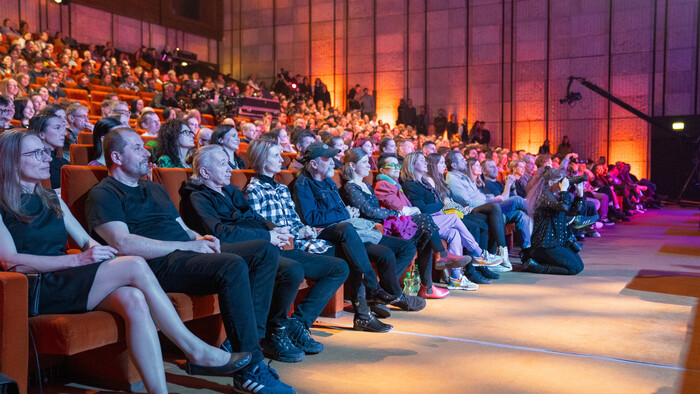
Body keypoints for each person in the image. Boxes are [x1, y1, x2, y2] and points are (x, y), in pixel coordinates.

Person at [0, 130, 252, 393]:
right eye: (36, 153)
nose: (46, 158)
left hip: (66, 278)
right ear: (10, 160)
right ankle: (195, 350)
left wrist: (102, 254)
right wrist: (79, 262)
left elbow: (88, 243)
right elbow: (10, 261)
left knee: (133, 299)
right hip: (33, 287)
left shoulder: (51, 198)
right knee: (133, 263)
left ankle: (159, 391)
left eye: (45, 151)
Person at [85, 127, 295, 393]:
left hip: (184, 253)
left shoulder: (155, 189)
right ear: (116, 157)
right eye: (137, 147)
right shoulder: (104, 193)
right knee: (232, 265)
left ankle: (245, 343)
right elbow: (121, 243)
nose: (146, 152)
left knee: (265, 251)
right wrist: (186, 245)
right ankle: (249, 369)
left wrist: (201, 239)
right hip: (153, 265)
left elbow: (183, 228)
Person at [180, 144, 348, 359]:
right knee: (293, 270)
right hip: (239, 252)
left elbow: (254, 218)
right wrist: (267, 236)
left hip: (265, 246)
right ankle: (274, 331)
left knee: (338, 267)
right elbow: (220, 233)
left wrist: (274, 230)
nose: (230, 167)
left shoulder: (230, 191)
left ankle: (297, 324)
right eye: (222, 164)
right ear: (204, 172)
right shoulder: (198, 197)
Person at [344, 150, 476, 295]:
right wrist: (400, 212)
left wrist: (407, 211)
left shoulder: (368, 186)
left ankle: (428, 286)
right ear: (352, 165)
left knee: (426, 233)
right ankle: (453, 258)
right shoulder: (363, 186)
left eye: (397, 165)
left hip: (393, 221)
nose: (369, 165)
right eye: (364, 162)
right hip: (383, 226)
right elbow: (371, 211)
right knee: (428, 221)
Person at [400, 152, 503, 284]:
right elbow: (422, 209)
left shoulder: (423, 182)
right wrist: (441, 205)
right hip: (425, 222)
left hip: (436, 218)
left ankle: (456, 278)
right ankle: (478, 253)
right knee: (454, 218)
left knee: (455, 234)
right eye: (421, 160)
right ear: (412, 164)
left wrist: (441, 206)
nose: (425, 163)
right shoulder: (410, 184)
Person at [445, 153, 533, 268]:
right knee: (514, 201)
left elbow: (479, 196)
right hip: (474, 209)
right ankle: (537, 210)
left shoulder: (464, 177)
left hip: (489, 206)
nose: (465, 161)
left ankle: (528, 253)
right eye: (462, 160)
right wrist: (492, 199)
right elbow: (468, 201)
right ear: (454, 165)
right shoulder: (453, 178)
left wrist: (489, 198)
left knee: (521, 214)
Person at [524, 166, 585, 275]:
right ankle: (538, 267)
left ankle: (541, 263)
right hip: (545, 245)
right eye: (560, 182)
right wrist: (564, 191)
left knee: (580, 266)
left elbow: (571, 212)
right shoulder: (544, 195)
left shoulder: (555, 195)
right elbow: (564, 207)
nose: (563, 184)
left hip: (557, 243)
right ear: (551, 182)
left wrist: (580, 196)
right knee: (574, 269)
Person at [28, 112, 68, 190]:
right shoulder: (32, 164)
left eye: (63, 128)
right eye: (57, 128)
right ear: (42, 134)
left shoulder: (64, 163)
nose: (64, 133)